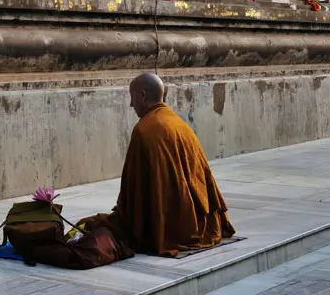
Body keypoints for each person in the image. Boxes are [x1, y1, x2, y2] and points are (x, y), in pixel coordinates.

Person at [80, 73, 235, 257]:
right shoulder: (180, 124)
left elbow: (133, 193)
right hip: (201, 221)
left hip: (168, 227)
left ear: (142, 96)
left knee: (90, 225)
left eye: (132, 97)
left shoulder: (143, 130)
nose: (131, 105)